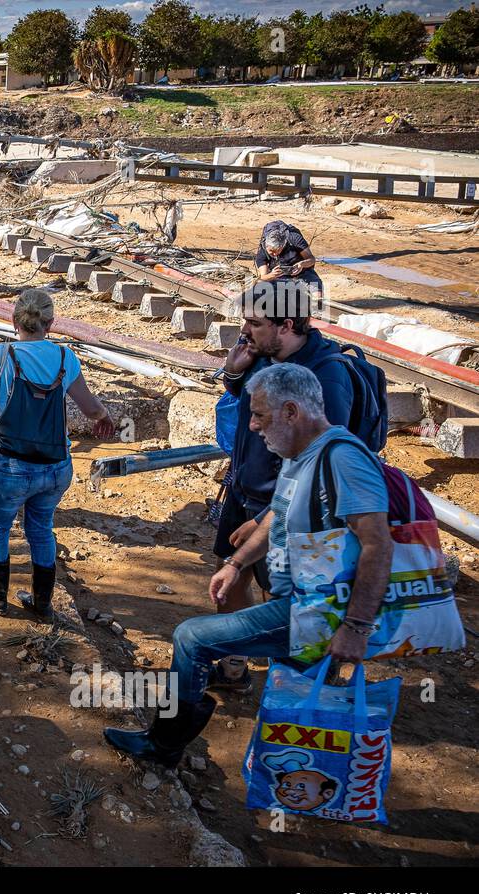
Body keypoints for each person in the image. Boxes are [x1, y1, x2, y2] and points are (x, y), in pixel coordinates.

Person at [104, 363, 393, 768]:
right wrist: (237, 564)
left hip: (321, 610)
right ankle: (292, 777)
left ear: (291, 412)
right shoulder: (301, 452)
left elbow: (378, 545)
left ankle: (164, 745)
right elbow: (278, 511)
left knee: (191, 638)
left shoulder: (344, 460)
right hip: (306, 600)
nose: (253, 426)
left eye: (260, 415)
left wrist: (357, 626)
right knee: (292, 691)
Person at [209, 279, 358, 690]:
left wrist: (266, 521)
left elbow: (322, 460)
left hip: (290, 508)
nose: (244, 331)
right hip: (244, 491)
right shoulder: (264, 357)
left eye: (254, 323)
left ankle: (303, 684)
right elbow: (252, 410)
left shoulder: (326, 377)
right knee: (231, 573)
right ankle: (235, 665)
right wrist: (233, 376)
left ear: (287, 324)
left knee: (289, 598)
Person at [0, 289, 115, 614]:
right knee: (41, 527)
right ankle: (42, 602)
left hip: (9, 465)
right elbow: (90, 409)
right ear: (51, 323)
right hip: (54, 466)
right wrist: (104, 416)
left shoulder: (1, 356)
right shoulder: (65, 358)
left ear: (14, 320)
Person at [255, 220, 322, 302]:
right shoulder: (262, 252)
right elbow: (262, 278)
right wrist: (272, 275)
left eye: (277, 251)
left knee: (318, 295)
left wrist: (302, 264)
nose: (274, 254)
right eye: (271, 251)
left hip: (304, 273)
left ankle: (316, 311)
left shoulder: (294, 239)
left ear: (283, 245)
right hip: (280, 278)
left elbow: (312, 259)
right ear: (266, 245)